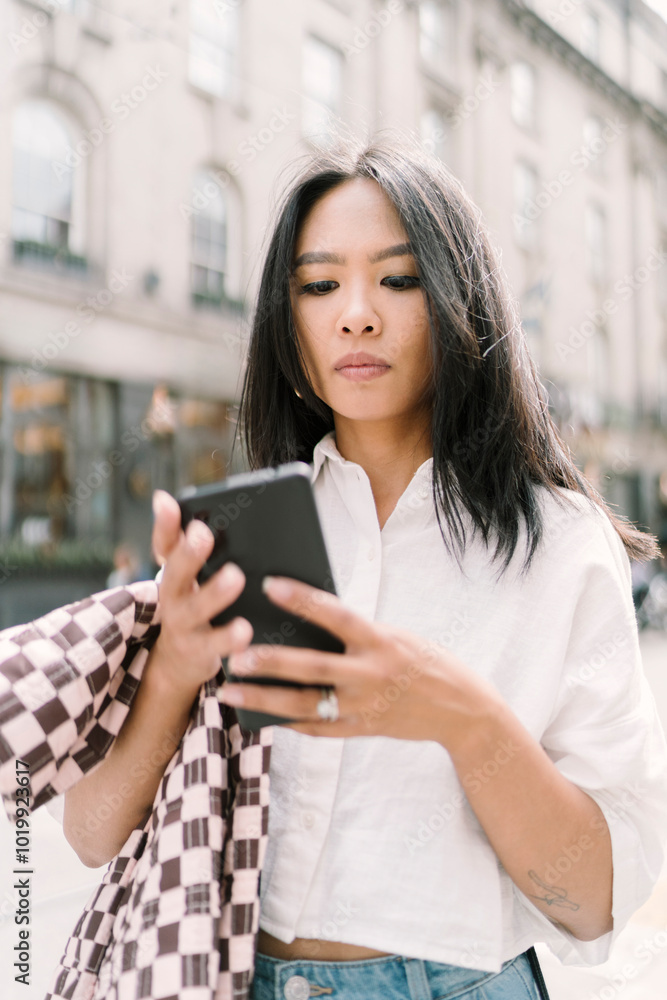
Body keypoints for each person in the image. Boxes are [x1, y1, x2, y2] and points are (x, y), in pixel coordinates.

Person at [9, 135, 667, 1000]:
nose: (355, 313)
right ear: (288, 320)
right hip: (236, 975)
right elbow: (92, 836)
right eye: (318, 285)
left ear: (458, 297)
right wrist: (173, 662)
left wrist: (461, 718)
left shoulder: (558, 541)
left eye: (398, 279)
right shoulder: (247, 529)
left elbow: (593, 901)